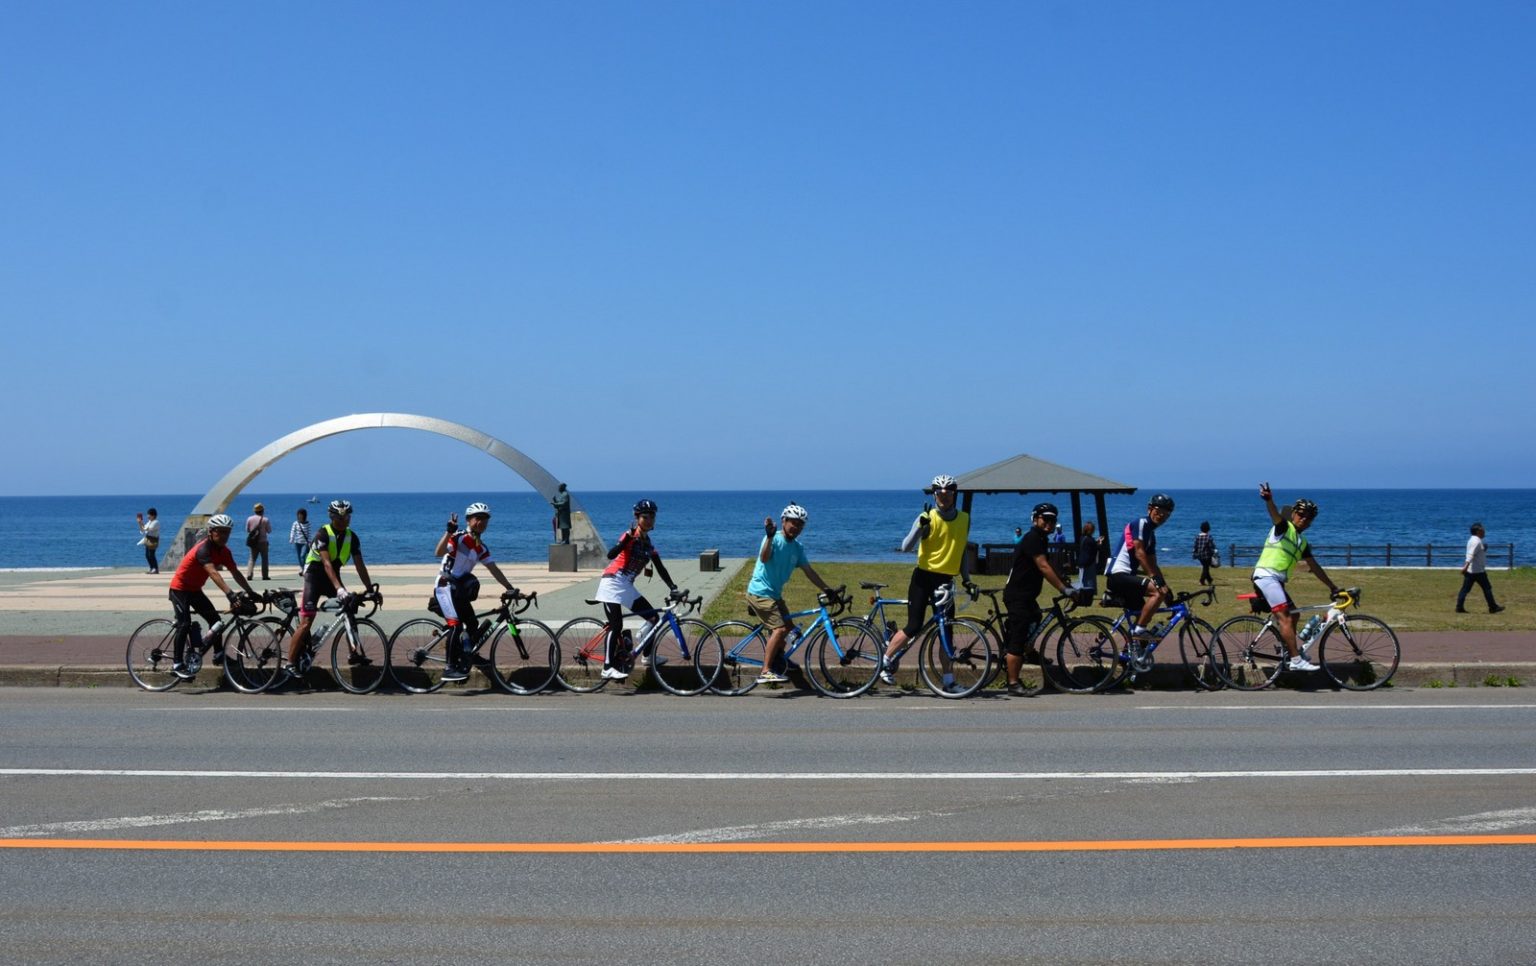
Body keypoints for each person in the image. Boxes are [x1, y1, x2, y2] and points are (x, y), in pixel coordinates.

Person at [879, 474, 976, 687]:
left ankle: (949, 681)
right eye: (940, 493)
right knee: (914, 625)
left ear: (954, 494)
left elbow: (961, 551)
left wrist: (967, 580)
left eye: (948, 493)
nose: (944, 497)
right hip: (923, 577)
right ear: (934, 495)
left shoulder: (964, 519)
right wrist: (919, 527)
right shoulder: (927, 516)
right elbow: (905, 547)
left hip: (946, 580)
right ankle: (884, 662)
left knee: (946, 632)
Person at [1252, 482, 1342, 673]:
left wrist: (1332, 587)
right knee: (1284, 617)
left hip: (1276, 581)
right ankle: (1295, 659)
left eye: (1308, 518)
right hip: (1266, 577)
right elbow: (1275, 515)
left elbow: (1315, 567)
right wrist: (1269, 500)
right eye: (1301, 515)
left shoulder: (1302, 542)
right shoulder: (1284, 527)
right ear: (1293, 514)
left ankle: (1286, 649)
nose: (1304, 519)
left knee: (1295, 614)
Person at [748, 503, 838, 685]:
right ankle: (765, 671)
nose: (796, 528)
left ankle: (778, 659)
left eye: (800, 525)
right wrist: (769, 537)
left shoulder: (797, 547)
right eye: (793, 523)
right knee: (779, 630)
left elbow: (809, 571)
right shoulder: (773, 539)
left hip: (774, 595)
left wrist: (827, 589)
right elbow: (764, 558)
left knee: (790, 630)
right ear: (784, 521)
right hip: (760, 593)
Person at [283, 499, 374, 678]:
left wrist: (370, 588)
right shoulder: (323, 534)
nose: (343, 520)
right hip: (315, 576)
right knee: (307, 621)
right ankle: (290, 662)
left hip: (332, 576)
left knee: (349, 609)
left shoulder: (352, 537)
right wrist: (339, 589)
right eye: (339, 517)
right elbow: (326, 564)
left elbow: (360, 565)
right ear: (332, 517)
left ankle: (353, 653)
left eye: (346, 517)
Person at [434, 502, 519, 682]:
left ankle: (470, 655)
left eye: (485, 519)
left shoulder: (480, 546)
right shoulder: (459, 538)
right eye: (477, 519)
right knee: (456, 626)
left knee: (473, 625)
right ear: (469, 520)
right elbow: (438, 552)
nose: (481, 522)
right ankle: (449, 668)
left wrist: (511, 589)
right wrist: (448, 531)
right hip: (445, 588)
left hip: (459, 591)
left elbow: (494, 569)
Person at [595, 499, 678, 681]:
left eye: (652, 517)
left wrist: (673, 587)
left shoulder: (648, 544)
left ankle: (647, 657)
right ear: (637, 517)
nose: (649, 520)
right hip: (612, 583)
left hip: (627, 586)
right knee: (616, 626)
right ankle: (607, 667)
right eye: (645, 517)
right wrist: (625, 542)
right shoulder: (629, 535)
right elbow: (611, 555)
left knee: (654, 618)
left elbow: (660, 567)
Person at [166, 514, 258, 679]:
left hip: (195, 590)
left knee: (216, 622)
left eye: (227, 532)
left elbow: (235, 573)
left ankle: (218, 655)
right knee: (184, 624)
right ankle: (177, 665)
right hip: (179, 589)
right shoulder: (203, 549)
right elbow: (213, 573)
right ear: (211, 532)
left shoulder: (224, 551)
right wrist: (229, 594)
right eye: (220, 532)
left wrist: (250, 592)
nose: (224, 536)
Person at [1002, 503, 1077, 696]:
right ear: (1035, 519)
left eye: (1053, 520)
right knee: (1017, 639)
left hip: (1027, 596)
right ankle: (1012, 683)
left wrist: (1063, 579)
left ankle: (1029, 651)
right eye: (1045, 519)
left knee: (1036, 619)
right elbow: (1043, 566)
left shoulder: (1041, 539)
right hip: (1017, 595)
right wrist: (1063, 589)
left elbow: (1048, 564)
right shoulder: (1033, 538)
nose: (1049, 524)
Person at [1105, 493, 1177, 641]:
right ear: (1149, 509)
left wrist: (1167, 589)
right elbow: (1140, 554)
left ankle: (1130, 656)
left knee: (1143, 614)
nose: (1161, 515)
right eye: (1158, 511)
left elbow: (1152, 564)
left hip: (1127, 577)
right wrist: (1156, 581)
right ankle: (1139, 631)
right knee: (1156, 593)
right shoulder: (1140, 523)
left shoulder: (1150, 535)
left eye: (1166, 514)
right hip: (1118, 575)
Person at [1457, 523, 1505, 614]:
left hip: (1472, 570)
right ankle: (1493, 607)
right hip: (1477, 571)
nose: (1484, 531)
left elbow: (1476, 553)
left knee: (1465, 590)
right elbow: (1471, 554)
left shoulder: (1473, 540)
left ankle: (1459, 607)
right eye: (1483, 530)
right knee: (1487, 588)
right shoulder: (1477, 541)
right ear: (1478, 531)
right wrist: (1465, 566)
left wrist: (1484, 549)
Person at [244, 502, 271, 581]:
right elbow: (269, 531)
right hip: (263, 541)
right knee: (264, 559)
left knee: (252, 559)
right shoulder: (265, 519)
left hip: (253, 542)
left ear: (254, 511)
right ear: (262, 511)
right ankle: (265, 576)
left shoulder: (249, 519)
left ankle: (249, 574)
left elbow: (247, 530)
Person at [1077, 522, 1101, 595]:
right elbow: (1093, 549)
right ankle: (1088, 593)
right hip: (1089, 562)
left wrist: (1095, 542)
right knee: (1089, 579)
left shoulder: (1082, 538)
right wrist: (1099, 544)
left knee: (1082, 578)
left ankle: (1081, 591)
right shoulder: (1090, 540)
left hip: (1082, 561)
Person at [135, 508, 161, 574]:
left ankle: (155, 569)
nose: (147, 516)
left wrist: (141, 523)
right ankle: (152, 568)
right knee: (147, 555)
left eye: (149, 514)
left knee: (151, 555)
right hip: (148, 540)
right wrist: (140, 523)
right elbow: (143, 530)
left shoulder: (156, 522)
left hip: (153, 540)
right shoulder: (150, 522)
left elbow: (148, 529)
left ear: (153, 515)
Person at [288, 507, 312, 575]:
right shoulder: (295, 523)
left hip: (305, 543)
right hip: (297, 542)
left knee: (302, 555)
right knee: (299, 557)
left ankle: (304, 569)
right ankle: (302, 569)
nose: (300, 516)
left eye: (301, 514)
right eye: (299, 514)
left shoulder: (308, 523)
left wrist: (310, 542)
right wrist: (291, 539)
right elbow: (293, 531)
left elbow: (309, 533)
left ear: (304, 515)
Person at [1193, 521, 1217, 586]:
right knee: (1206, 568)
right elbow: (1212, 546)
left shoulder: (1197, 537)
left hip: (1199, 555)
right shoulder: (1209, 537)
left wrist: (1194, 554)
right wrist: (1214, 551)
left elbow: (1195, 546)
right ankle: (1201, 580)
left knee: (1205, 567)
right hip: (1207, 555)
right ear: (1208, 529)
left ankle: (1209, 580)